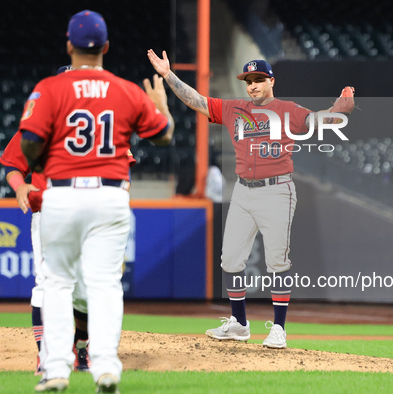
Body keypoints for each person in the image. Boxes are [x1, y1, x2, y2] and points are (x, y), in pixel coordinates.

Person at [148, 49, 354, 348]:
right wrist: (168, 75)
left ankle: (279, 329)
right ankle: (239, 324)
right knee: (230, 259)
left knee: (277, 262)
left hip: (277, 190)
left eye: (258, 79)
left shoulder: (288, 110)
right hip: (243, 191)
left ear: (271, 81)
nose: (253, 85)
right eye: (249, 81)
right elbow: (198, 100)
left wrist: (339, 110)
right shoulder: (233, 108)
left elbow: (319, 122)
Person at [20, 10, 174, 392]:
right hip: (109, 196)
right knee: (105, 284)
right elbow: (164, 136)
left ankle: (56, 371)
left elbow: (28, 143)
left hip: (63, 193)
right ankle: (106, 368)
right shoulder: (125, 90)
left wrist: (41, 158)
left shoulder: (50, 88)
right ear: (105, 47)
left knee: (55, 283)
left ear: (69, 45)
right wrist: (163, 106)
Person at [0, 65, 96, 377]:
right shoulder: (39, 123)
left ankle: (80, 346)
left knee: (86, 289)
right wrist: (20, 186)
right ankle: (45, 355)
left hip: (90, 212)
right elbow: (13, 164)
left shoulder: (100, 122)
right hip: (49, 210)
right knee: (46, 283)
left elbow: (124, 167)